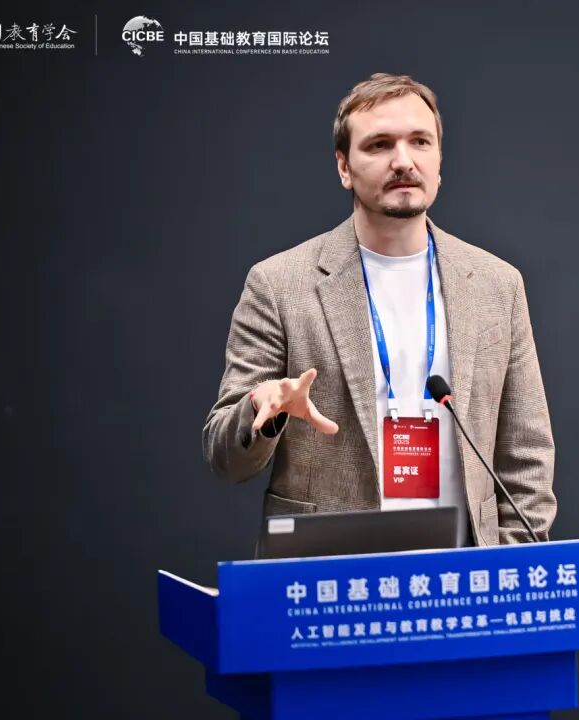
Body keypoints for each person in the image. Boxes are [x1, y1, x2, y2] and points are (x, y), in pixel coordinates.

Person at [202, 72, 555, 551]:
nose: (403, 160)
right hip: (331, 570)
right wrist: (260, 410)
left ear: (439, 161)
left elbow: (527, 455)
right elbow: (226, 458)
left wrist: (503, 568)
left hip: (462, 572)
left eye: (420, 142)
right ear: (344, 167)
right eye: (379, 145)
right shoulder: (278, 284)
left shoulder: (497, 284)